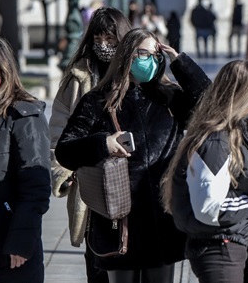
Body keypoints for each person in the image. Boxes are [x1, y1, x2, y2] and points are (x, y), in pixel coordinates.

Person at [56, 29, 211, 283]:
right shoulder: (98, 100)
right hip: (120, 222)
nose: (148, 60)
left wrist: (180, 62)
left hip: (163, 222)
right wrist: (103, 143)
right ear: (127, 55)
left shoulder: (169, 98)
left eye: (154, 55)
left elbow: (209, 100)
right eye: (142, 53)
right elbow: (65, 150)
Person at [162, 60, 248, 283]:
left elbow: (228, 180)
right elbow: (210, 208)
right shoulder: (216, 141)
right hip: (219, 248)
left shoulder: (228, 134)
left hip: (227, 246)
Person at [49, 7, 132, 283]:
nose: (104, 47)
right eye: (98, 40)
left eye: (111, 40)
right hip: (91, 184)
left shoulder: (137, 75)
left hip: (133, 184)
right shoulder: (78, 78)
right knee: (97, 261)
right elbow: (58, 131)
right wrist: (63, 171)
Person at [0, 38, 51, 283]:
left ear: (3, 71)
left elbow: (35, 188)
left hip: (10, 248)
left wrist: (22, 242)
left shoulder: (25, 115)